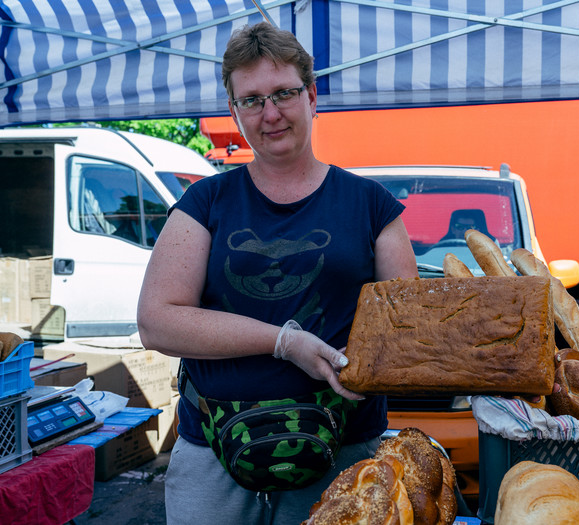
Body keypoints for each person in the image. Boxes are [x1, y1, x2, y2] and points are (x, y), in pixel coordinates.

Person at [136, 22, 418, 525]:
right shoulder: (206, 202)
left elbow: (406, 328)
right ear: (234, 111)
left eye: (284, 93)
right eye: (251, 100)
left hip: (346, 458)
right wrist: (286, 342)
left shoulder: (371, 206)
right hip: (215, 459)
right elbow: (157, 321)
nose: (270, 114)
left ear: (312, 96)